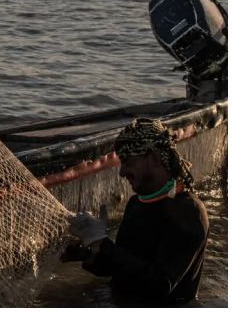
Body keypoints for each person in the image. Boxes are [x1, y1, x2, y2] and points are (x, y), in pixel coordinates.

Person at [65, 118, 209, 305]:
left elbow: (161, 285)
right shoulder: (137, 203)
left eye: (128, 163)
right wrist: (89, 252)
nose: (122, 173)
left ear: (155, 158)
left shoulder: (189, 213)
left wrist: (103, 242)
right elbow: (122, 268)